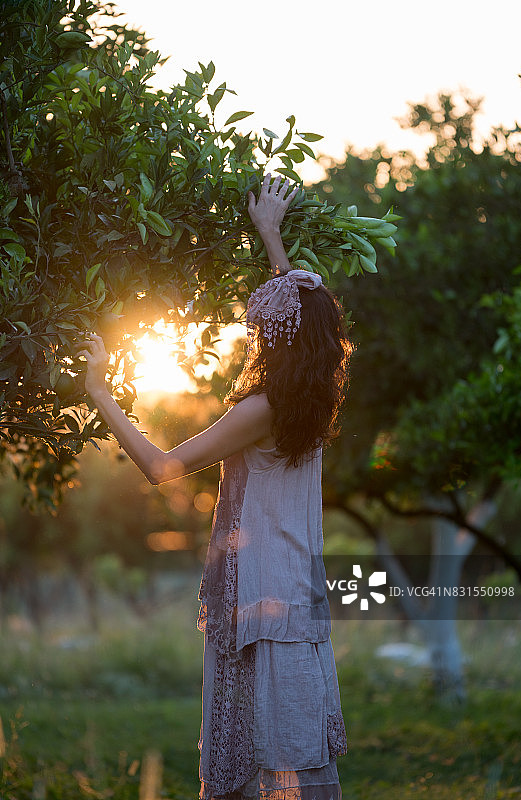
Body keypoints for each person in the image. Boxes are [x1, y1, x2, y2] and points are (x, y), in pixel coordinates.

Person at [78, 172, 352, 800]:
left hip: (257, 596)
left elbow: (162, 467)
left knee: (260, 759)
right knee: (286, 757)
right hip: (292, 596)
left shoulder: (262, 409)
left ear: (275, 335)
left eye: (262, 325)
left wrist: (99, 394)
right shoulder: (313, 403)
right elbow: (300, 313)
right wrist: (271, 235)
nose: (255, 331)